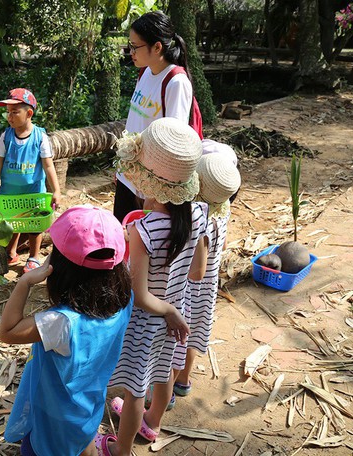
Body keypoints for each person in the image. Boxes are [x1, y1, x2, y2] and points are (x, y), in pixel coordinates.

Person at [108, 118, 208, 455]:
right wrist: (176, 310)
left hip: (150, 320)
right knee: (164, 372)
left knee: (136, 388)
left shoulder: (144, 230)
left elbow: (140, 295)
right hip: (178, 310)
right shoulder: (199, 214)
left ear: (146, 180)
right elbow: (196, 272)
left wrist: (168, 311)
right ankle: (154, 424)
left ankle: (121, 449)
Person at [0, 205, 133, 456]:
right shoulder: (125, 300)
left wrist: (25, 281)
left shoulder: (60, 322)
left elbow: (7, 331)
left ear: (58, 268)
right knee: (84, 444)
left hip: (53, 420)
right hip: (88, 408)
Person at [113, 11, 195, 223]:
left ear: (157, 47)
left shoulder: (176, 82)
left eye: (135, 46)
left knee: (140, 245)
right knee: (121, 238)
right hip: (128, 175)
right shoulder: (146, 71)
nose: (130, 52)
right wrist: (122, 169)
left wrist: (154, 196)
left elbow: (174, 143)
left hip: (149, 186)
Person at [172, 152, 241, 399]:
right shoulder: (224, 209)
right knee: (192, 336)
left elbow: (196, 272)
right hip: (209, 289)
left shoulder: (199, 220)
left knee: (178, 339)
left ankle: (165, 392)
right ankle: (184, 379)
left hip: (190, 289)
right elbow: (221, 247)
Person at [0, 88, 61, 273]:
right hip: (9, 191)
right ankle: (11, 252)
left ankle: (34, 257)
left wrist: (56, 190)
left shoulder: (39, 137)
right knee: (11, 222)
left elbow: (48, 165)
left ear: (29, 114)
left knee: (34, 224)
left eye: (15, 112)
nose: (9, 117)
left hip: (34, 190)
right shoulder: (6, 136)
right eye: (8, 113)